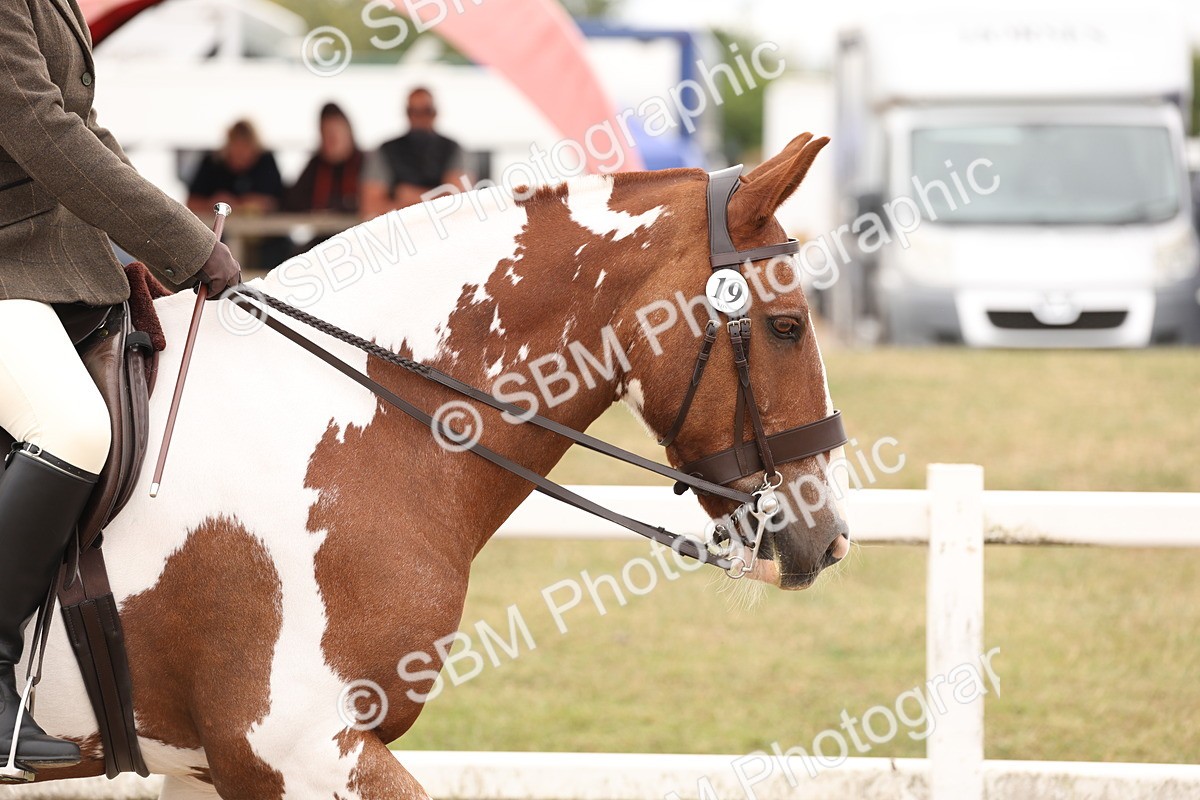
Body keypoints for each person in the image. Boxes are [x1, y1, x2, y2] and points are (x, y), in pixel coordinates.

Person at [0, 0, 240, 773]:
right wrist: (184, 244)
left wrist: (149, 246)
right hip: (6, 270)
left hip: (51, 266)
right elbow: (39, 128)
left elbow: (84, 128)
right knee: (70, 426)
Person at [188, 120, 286, 269]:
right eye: (237, 147)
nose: (241, 153)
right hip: (219, 240)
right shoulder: (213, 163)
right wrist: (212, 204)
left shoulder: (266, 162)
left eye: (246, 147)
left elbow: (282, 201)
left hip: (264, 242)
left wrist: (248, 204)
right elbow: (191, 202)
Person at [360, 87, 469, 219]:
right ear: (407, 113)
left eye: (426, 111)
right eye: (414, 112)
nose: (420, 118)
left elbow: (458, 202)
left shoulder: (452, 148)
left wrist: (409, 197)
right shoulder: (386, 150)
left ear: (434, 113)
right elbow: (370, 207)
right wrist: (434, 198)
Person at [285, 103, 363, 216]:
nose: (332, 139)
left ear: (348, 132)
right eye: (326, 133)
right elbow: (293, 202)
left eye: (336, 132)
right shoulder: (315, 165)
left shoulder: (365, 164)